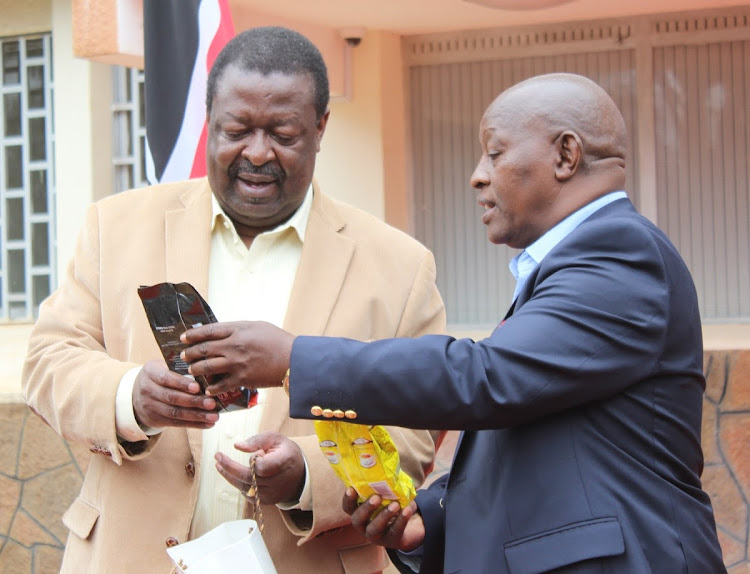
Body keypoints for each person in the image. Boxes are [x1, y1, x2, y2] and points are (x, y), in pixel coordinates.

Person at [179, 73, 727, 573]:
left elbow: (486, 378)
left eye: (495, 153)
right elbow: (536, 442)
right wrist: (427, 525)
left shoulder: (619, 255)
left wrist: (296, 358)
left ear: (566, 154)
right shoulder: (575, 266)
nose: (477, 177)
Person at [22, 26, 446, 574]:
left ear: (320, 128)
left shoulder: (401, 266)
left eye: (283, 134)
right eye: (237, 129)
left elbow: (416, 429)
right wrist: (131, 397)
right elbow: (47, 362)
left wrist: (308, 475)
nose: (257, 152)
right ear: (208, 120)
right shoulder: (115, 225)